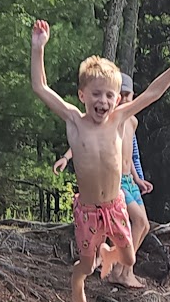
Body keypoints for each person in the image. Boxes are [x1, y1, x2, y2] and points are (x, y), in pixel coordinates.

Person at [32, 22, 170, 302]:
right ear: (82, 95)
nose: (103, 101)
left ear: (117, 99)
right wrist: (38, 48)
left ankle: (110, 253)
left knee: (129, 258)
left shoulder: (118, 119)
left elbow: (153, 93)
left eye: (109, 96)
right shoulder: (74, 121)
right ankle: (77, 279)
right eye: (96, 94)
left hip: (115, 205)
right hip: (88, 210)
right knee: (87, 265)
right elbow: (40, 87)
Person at [53, 72, 153, 286]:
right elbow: (83, 144)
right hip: (115, 185)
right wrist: (66, 158)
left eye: (127, 96)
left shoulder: (131, 121)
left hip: (129, 180)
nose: (123, 100)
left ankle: (119, 264)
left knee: (144, 225)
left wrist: (139, 178)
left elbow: (131, 155)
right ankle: (120, 271)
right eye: (120, 95)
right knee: (137, 222)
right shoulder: (108, 121)